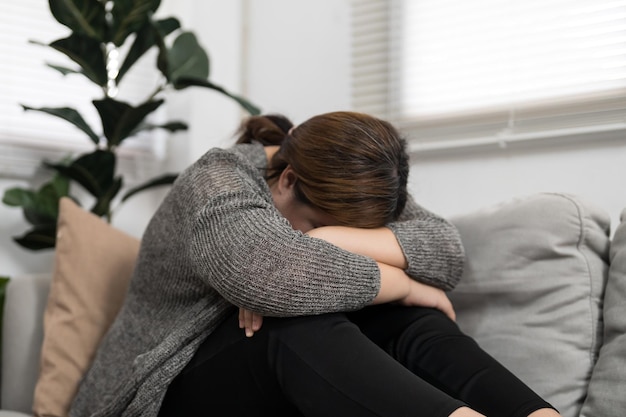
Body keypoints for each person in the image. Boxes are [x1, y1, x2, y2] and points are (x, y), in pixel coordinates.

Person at [70, 111, 561, 417]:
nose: (317, 243)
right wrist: (403, 282)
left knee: (410, 319)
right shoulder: (216, 180)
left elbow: (444, 249)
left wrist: (326, 237)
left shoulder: (350, 181)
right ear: (284, 180)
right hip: (153, 395)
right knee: (294, 323)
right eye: (312, 227)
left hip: (252, 386)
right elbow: (271, 276)